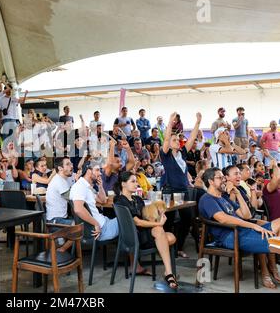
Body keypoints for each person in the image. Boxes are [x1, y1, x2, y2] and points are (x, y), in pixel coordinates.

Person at [199, 167, 280, 287]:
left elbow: (246, 215)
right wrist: (253, 226)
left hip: (243, 231)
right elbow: (223, 218)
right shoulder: (207, 199)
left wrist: (237, 192)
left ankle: (271, 264)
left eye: (223, 177)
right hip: (231, 236)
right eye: (220, 178)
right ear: (211, 181)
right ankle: (270, 265)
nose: (224, 180)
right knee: (278, 244)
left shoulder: (224, 198)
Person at [113, 171, 178, 289]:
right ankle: (169, 273)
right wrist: (158, 223)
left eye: (136, 181)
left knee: (171, 237)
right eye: (132, 181)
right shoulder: (120, 200)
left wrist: (158, 213)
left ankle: (167, 271)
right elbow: (137, 221)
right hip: (134, 237)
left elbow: (145, 217)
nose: (136, 184)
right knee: (160, 231)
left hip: (144, 232)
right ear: (123, 184)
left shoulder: (138, 199)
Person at [160, 112, 202, 258]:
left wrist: (197, 123)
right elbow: (165, 140)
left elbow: (191, 139)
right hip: (169, 191)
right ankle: (165, 248)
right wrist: (170, 123)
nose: (178, 141)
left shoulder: (182, 153)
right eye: (174, 140)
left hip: (183, 190)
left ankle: (177, 248)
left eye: (178, 139)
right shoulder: (165, 155)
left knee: (187, 219)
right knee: (168, 220)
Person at [70, 161, 118, 241]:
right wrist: (96, 224)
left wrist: (100, 186)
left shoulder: (87, 186)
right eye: (97, 170)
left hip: (104, 222)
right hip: (102, 229)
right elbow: (78, 209)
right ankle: (136, 251)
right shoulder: (80, 187)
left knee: (128, 221)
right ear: (89, 171)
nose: (100, 173)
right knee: (130, 220)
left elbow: (102, 201)